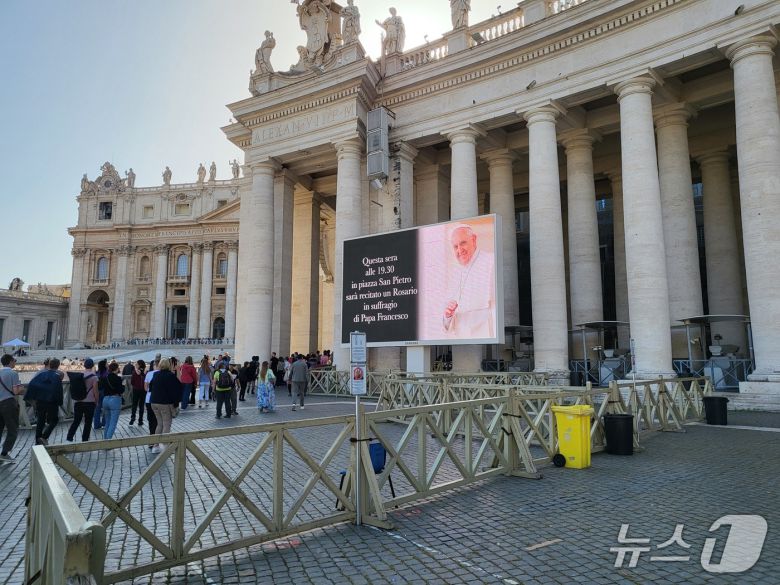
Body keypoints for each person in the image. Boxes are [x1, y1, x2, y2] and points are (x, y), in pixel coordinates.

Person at [442, 224, 496, 338]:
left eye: (463, 243)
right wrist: (448, 316)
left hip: (485, 337)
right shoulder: (454, 273)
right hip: (460, 341)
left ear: (474, 240)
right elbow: (447, 326)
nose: (459, 250)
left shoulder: (491, 262)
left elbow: (496, 308)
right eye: (455, 246)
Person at [26, 358, 64, 446]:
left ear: (49, 365)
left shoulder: (41, 374)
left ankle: (37, 440)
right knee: (54, 420)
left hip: (40, 402)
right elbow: (58, 390)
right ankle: (44, 437)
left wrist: (32, 398)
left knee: (40, 421)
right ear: (58, 366)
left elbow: (32, 385)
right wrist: (60, 402)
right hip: (52, 402)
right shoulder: (56, 376)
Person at [149, 358, 181, 454]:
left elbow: (150, 387)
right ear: (169, 365)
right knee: (167, 424)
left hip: (154, 402)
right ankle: (165, 446)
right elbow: (178, 387)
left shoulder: (155, 374)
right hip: (164, 403)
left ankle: (155, 446)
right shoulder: (170, 375)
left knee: (159, 424)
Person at [66, 358, 99, 442]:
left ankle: (69, 437)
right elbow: (95, 391)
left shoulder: (79, 375)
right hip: (90, 402)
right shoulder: (94, 377)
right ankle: (85, 439)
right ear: (92, 366)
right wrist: (96, 401)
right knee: (88, 422)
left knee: (76, 421)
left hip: (78, 401)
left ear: (84, 366)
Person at [0, 354, 24, 463]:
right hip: (8, 403)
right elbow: (16, 391)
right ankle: (4, 453)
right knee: (12, 429)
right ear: (10, 361)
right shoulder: (13, 373)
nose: (15, 362)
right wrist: (22, 388)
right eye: (14, 360)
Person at [100, 362, 124, 440]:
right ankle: (108, 441)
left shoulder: (105, 378)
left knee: (107, 422)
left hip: (105, 400)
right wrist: (123, 385)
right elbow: (121, 390)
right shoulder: (118, 378)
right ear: (116, 369)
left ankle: (105, 440)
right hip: (115, 400)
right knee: (113, 422)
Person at [144, 361, 158, 444]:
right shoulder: (161, 373)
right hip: (158, 399)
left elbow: (145, 388)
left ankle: (151, 436)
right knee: (157, 419)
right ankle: (157, 438)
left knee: (150, 419)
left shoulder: (149, 374)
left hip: (149, 399)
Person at [129, 360, 146, 426]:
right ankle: (140, 420)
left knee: (134, 405)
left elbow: (132, 382)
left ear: (139, 365)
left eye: (137, 364)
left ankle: (132, 418)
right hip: (143, 390)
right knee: (141, 406)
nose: (136, 365)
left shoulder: (134, 372)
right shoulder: (145, 372)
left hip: (136, 390)